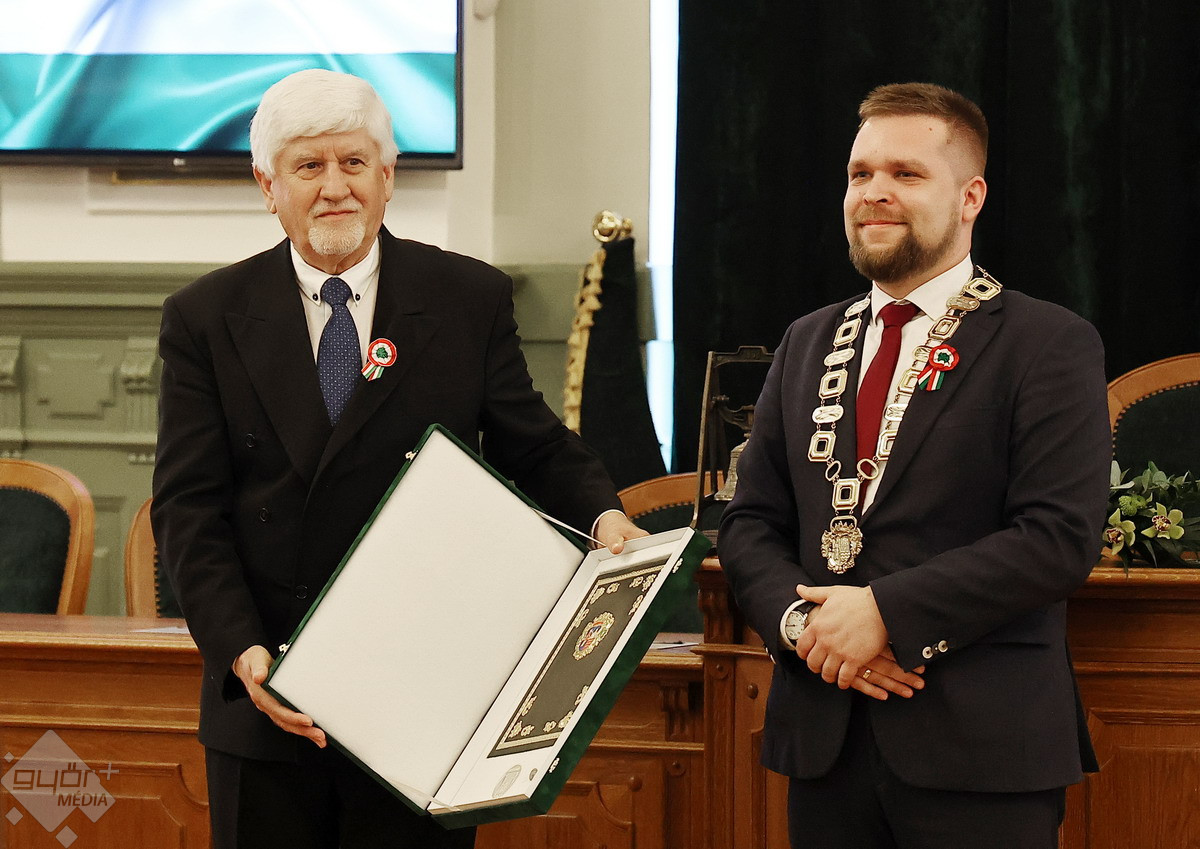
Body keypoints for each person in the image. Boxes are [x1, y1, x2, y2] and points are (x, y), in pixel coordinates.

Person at [151, 69, 645, 849]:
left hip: (425, 703)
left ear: (388, 176)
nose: (335, 187)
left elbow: (535, 443)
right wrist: (243, 654)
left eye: (354, 162)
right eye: (309, 166)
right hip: (270, 700)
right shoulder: (204, 318)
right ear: (267, 186)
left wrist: (605, 516)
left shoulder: (467, 297)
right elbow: (188, 508)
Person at [717, 82, 1110, 849]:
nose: (874, 192)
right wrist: (805, 626)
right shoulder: (806, 340)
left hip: (981, 746)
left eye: (906, 173)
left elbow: (1058, 537)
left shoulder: (1048, 342)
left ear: (970, 197)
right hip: (826, 736)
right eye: (860, 173)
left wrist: (884, 613)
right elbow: (749, 522)